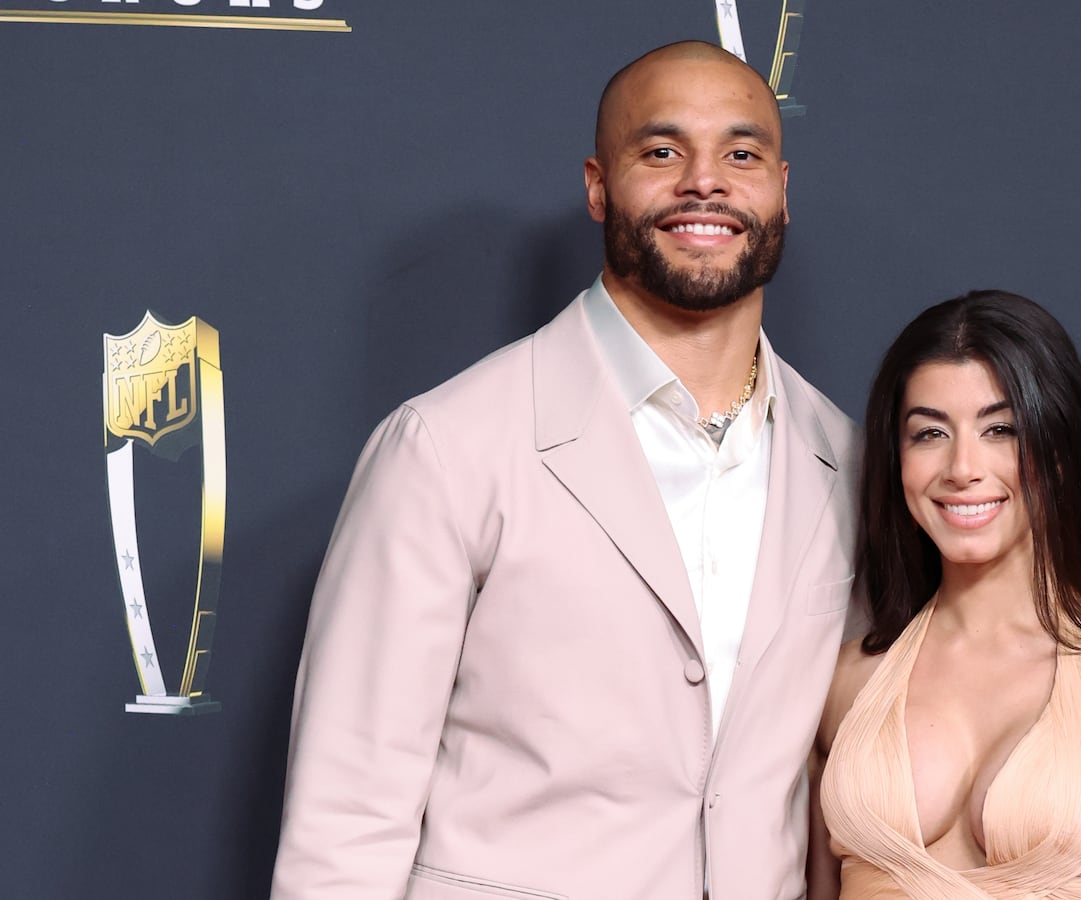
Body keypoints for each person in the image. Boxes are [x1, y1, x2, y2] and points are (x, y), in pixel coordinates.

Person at [271, 41, 859, 900]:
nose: (706, 182)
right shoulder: (446, 446)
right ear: (597, 186)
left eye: (742, 154)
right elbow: (346, 815)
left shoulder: (848, 459)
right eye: (661, 153)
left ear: (780, 190)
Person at [808, 291, 1081, 899]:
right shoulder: (844, 681)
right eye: (929, 433)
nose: (962, 467)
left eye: (1000, 429)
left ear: (1058, 450)